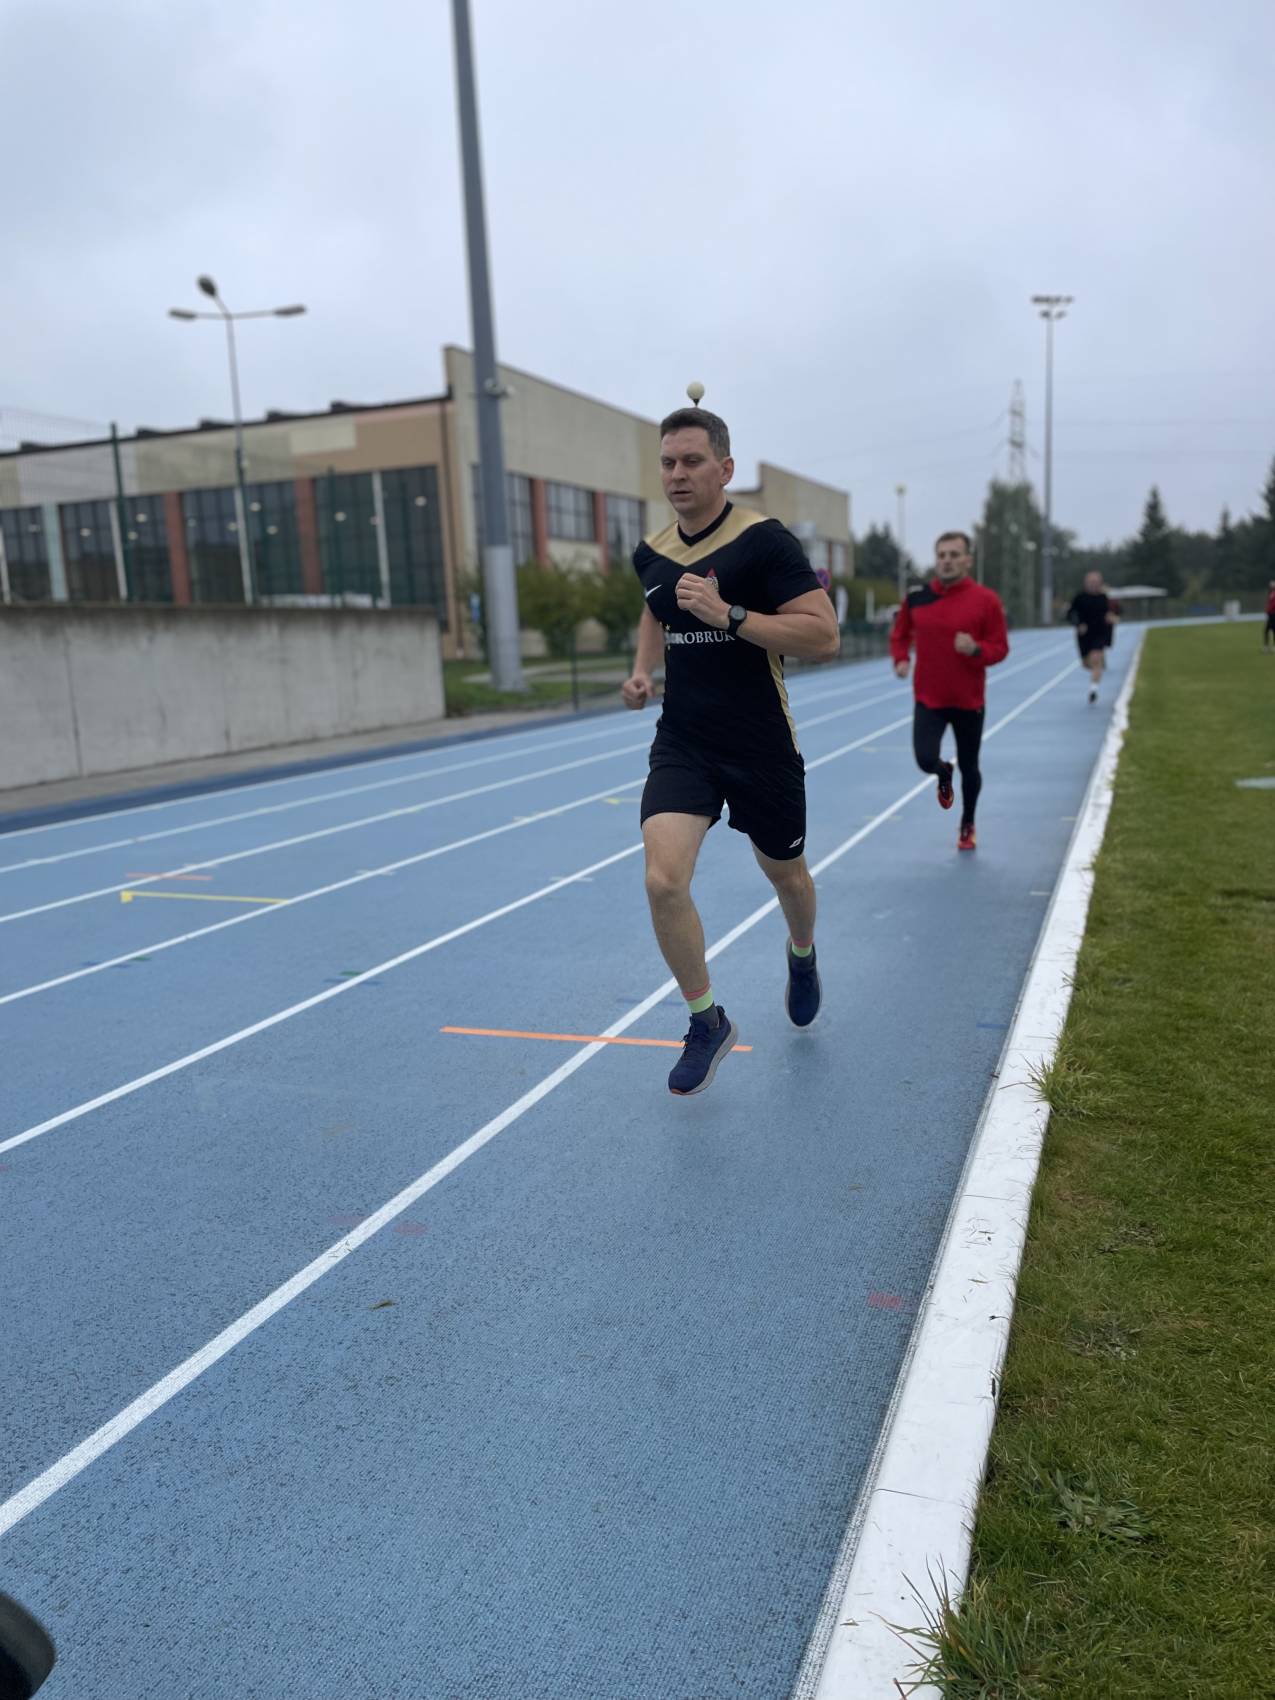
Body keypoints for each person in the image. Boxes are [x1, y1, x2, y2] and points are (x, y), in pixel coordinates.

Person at [621, 407, 841, 1096]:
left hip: (760, 743)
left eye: (691, 461)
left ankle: (801, 953)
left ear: (725, 468)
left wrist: (730, 616)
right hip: (684, 741)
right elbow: (655, 607)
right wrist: (642, 670)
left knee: (788, 878)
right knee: (663, 879)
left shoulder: (762, 541)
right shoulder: (651, 551)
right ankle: (705, 1020)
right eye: (667, 462)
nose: (677, 474)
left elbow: (823, 635)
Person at [890, 531, 1009, 852]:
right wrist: (901, 659)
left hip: (969, 700)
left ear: (968, 560)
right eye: (942, 555)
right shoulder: (918, 597)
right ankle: (943, 772)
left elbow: (1000, 648)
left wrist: (976, 649)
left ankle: (967, 823)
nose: (947, 561)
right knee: (924, 759)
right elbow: (900, 635)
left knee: (971, 766)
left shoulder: (986, 600)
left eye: (954, 555)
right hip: (929, 698)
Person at [1067, 571, 1121, 701]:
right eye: (1091, 582)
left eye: (1096, 582)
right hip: (1084, 636)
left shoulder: (1104, 598)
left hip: (1100, 633)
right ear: (1086, 583)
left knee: (1096, 660)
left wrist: (1112, 617)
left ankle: (1093, 690)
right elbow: (1070, 614)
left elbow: (1116, 611)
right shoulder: (1079, 598)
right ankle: (1098, 665)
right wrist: (1078, 624)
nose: (1094, 585)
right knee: (1086, 664)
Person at [1264, 580, 1275, 650]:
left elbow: (1272, 605)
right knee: (1267, 630)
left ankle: (1269, 646)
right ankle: (1267, 646)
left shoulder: (1273, 594)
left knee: (1269, 630)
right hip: (1270, 614)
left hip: (1273, 614)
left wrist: (1268, 610)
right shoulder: (1271, 594)